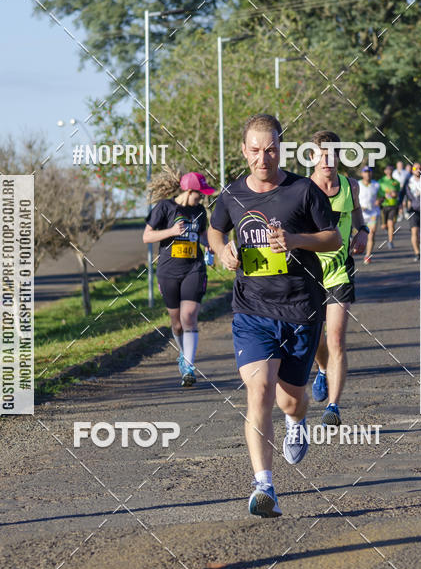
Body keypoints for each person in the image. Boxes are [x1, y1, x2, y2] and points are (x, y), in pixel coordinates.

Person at [208, 113, 341, 518]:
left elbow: (333, 238)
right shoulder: (231, 194)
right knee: (260, 390)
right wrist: (222, 250)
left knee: (291, 401)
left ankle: (296, 423)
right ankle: (264, 486)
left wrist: (296, 240)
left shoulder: (303, 191)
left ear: (280, 149)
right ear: (243, 150)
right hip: (252, 310)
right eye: (255, 150)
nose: (262, 158)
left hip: (300, 309)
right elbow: (215, 230)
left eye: (270, 150)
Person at [308, 133, 368, 426]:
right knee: (315, 338)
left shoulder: (350, 186)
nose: (327, 161)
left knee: (336, 339)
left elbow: (356, 213)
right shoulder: (302, 189)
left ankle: (333, 406)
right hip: (309, 273)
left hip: (340, 271)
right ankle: (322, 369)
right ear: (312, 157)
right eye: (322, 155)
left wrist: (363, 230)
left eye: (332, 155)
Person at [143, 168, 215, 386]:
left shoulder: (199, 211)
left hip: (194, 268)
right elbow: (147, 236)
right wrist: (172, 232)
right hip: (168, 271)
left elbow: (202, 234)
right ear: (189, 191)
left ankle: (189, 366)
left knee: (189, 316)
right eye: (200, 193)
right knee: (177, 324)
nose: (202, 197)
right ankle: (183, 356)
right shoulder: (165, 207)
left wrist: (209, 245)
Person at [357, 165, 381, 263]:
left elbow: (382, 196)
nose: (367, 174)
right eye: (365, 172)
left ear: (371, 173)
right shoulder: (357, 184)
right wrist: (359, 206)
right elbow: (353, 198)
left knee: (371, 234)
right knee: (359, 235)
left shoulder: (376, 185)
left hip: (373, 213)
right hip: (360, 214)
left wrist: (380, 200)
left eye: (369, 172)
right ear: (362, 174)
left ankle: (368, 255)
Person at [400, 162, 421, 261]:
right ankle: (417, 253)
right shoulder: (408, 181)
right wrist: (400, 205)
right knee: (414, 232)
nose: (417, 170)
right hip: (413, 209)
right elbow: (402, 194)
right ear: (412, 170)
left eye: (419, 168)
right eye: (415, 168)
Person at [378, 164, 400, 249]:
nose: (389, 171)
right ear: (385, 171)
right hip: (383, 206)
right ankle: (388, 231)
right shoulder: (381, 181)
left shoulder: (396, 182)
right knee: (384, 226)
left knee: (391, 224)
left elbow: (398, 193)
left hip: (393, 205)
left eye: (391, 170)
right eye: (387, 170)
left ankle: (390, 241)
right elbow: (377, 193)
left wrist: (395, 194)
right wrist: (384, 196)